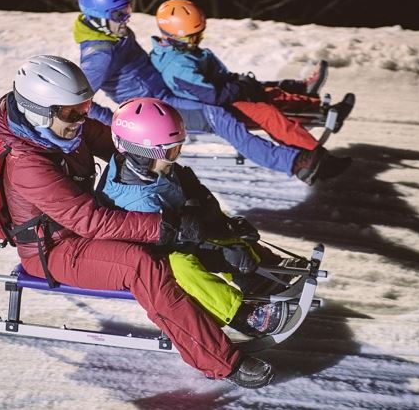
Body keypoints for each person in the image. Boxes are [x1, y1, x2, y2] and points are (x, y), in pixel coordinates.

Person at [0, 54, 274, 388]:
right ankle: (221, 362)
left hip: (82, 231)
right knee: (142, 264)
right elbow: (90, 221)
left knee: (178, 229)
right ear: (37, 110)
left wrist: (151, 147)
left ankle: (255, 275)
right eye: (72, 112)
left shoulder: (61, 130)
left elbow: (117, 140)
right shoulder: (27, 164)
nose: (81, 119)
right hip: (55, 249)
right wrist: (164, 225)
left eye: (85, 107)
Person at [74, 0, 350, 185]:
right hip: (156, 109)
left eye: (128, 10)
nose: (127, 18)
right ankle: (297, 163)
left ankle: (307, 114)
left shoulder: (115, 34)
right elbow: (77, 100)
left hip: (166, 95)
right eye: (119, 15)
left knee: (238, 103)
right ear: (98, 18)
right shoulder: (99, 55)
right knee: (219, 116)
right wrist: (115, 121)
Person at [97, 97, 290, 337]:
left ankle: (257, 279)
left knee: (214, 230)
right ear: (142, 152)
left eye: (178, 147)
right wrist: (217, 250)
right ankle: (242, 316)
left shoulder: (153, 169)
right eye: (170, 151)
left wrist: (224, 227)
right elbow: (168, 245)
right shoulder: (137, 200)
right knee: (182, 266)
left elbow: (190, 218)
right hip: (146, 257)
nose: (176, 156)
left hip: (172, 235)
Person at [152, 0, 355, 151]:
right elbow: (211, 95)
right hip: (214, 108)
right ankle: (312, 155)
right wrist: (241, 88)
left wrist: (241, 84)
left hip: (223, 96)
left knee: (266, 91)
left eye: (200, 34)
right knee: (268, 113)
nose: (199, 40)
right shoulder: (176, 65)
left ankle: (319, 109)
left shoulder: (184, 52)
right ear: (176, 35)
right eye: (194, 36)